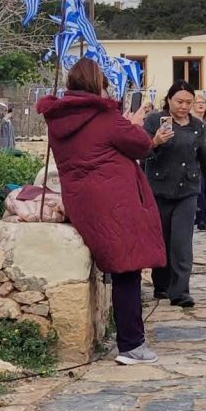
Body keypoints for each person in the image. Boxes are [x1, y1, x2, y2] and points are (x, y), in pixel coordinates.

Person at [37, 58, 166, 366]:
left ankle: (129, 341)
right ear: (98, 85)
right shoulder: (105, 117)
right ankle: (132, 345)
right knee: (127, 268)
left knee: (119, 267)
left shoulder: (57, 119)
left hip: (82, 200)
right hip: (115, 201)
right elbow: (139, 144)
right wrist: (134, 122)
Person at [144, 80, 206, 308]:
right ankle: (161, 284)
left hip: (187, 190)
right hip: (159, 189)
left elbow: (205, 156)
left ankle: (180, 291)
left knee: (181, 242)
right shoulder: (153, 121)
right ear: (169, 100)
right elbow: (142, 150)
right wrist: (155, 141)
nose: (184, 106)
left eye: (188, 102)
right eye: (179, 101)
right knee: (162, 240)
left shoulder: (198, 126)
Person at [191, 95, 206, 231]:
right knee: (199, 189)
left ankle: (204, 216)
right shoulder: (190, 122)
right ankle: (202, 219)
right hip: (194, 159)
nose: (200, 105)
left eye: (202, 103)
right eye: (198, 103)